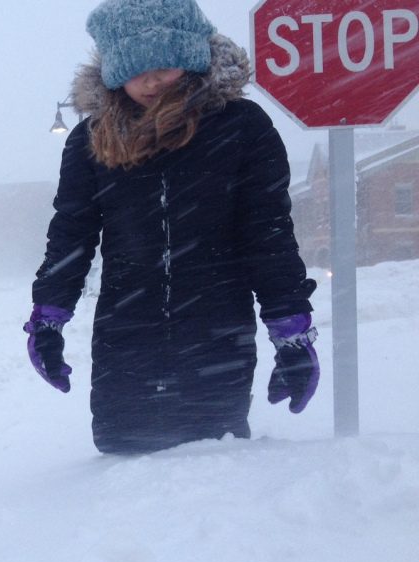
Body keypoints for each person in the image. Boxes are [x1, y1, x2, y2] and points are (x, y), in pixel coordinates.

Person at [24, 0, 320, 454]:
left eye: (165, 65)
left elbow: (269, 234)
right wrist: (48, 318)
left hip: (217, 338)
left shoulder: (242, 127)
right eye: (136, 68)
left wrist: (291, 332)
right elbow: (72, 232)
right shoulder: (92, 139)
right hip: (125, 339)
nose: (151, 81)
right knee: (123, 476)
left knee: (214, 471)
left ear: (191, 56)